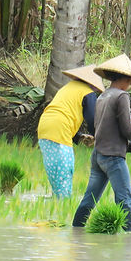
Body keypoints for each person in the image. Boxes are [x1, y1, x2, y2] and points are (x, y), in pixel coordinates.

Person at [72, 54, 131, 231]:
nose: (129, 85)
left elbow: (105, 130)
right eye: (129, 81)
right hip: (113, 158)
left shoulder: (102, 96)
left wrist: (130, 149)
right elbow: (127, 128)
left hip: (98, 156)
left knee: (89, 200)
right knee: (125, 200)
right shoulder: (122, 96)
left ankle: (75, 233)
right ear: (126, 78)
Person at [37, 64, 104, 197]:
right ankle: (64, 208)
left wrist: (79, 136)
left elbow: (64, 113)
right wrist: (101, 138)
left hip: (45, 127)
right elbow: (92, 120)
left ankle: (57, 207)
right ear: (93, 83)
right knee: (64, 173)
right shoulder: (88, 93)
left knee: (56, 176)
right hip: (58, 130)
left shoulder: (67, 88)